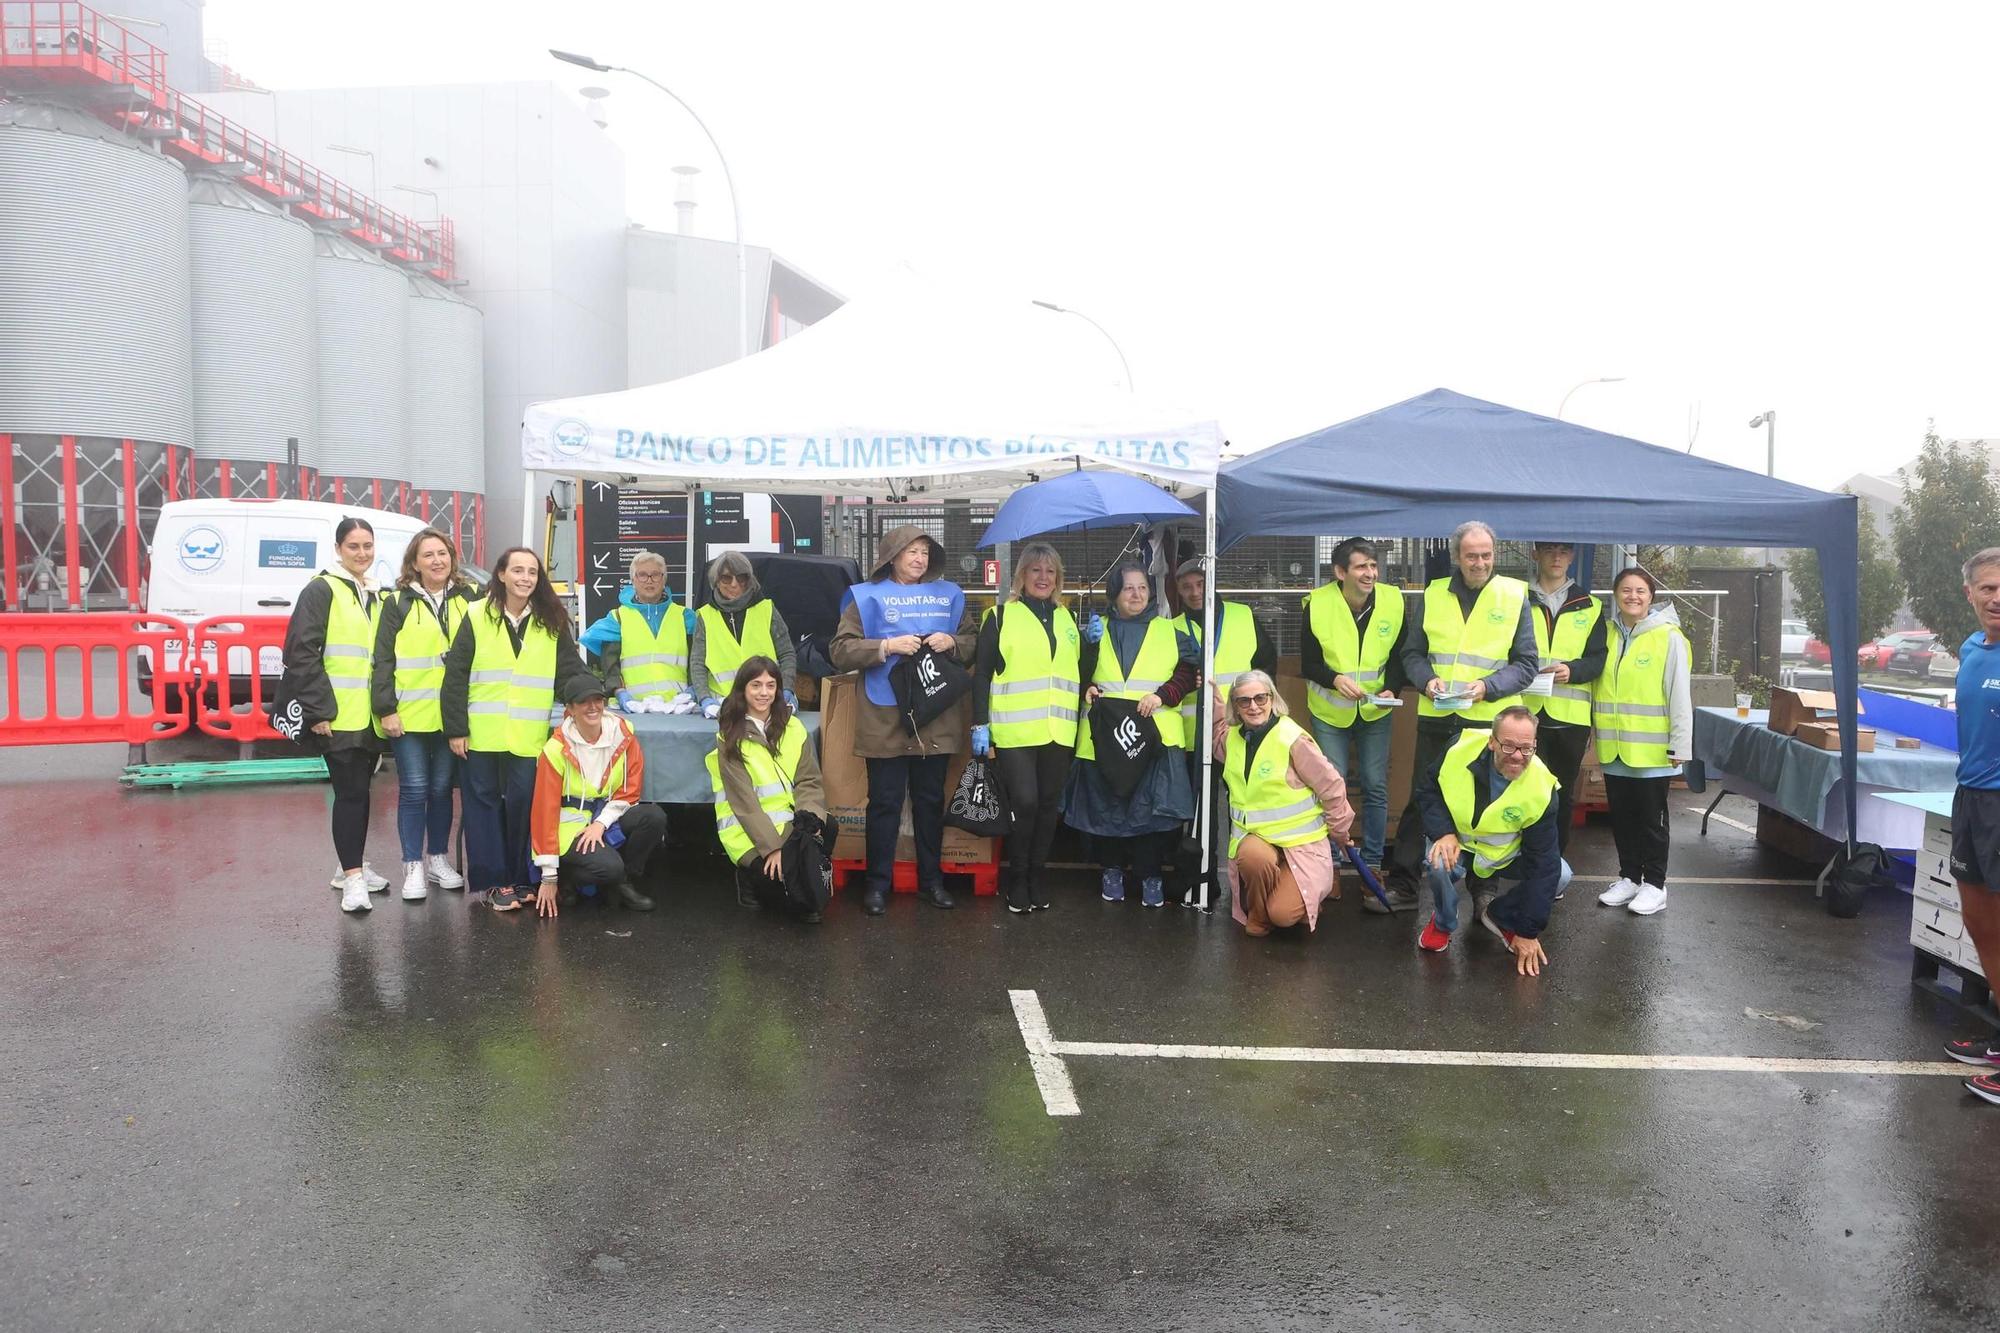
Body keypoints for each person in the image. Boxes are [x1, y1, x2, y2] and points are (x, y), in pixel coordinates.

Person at [1383, 520, 1538, 908]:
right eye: (1471, 556)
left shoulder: (1514, 595)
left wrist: (1488, 686)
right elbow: (1412, 653)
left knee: (1487, 803)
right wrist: (1426, 680)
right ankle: (1404, 884)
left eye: (1486, 555)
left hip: (1488, 721)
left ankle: (1483, 888)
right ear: (1457, 557)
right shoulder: (1434, 593)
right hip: (1438, 716)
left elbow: (1526, 664)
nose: (1480, 562)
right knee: (1421, 798)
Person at [829, 524, 974, 916]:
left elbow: (972, 642)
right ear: (891, 556)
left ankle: (932, 882)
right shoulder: (866, 597)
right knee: (885, 803)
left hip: (935, 716)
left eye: (925, 552)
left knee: (930, 801)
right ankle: (877, 885)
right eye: (912, 551)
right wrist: (886, 646)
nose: (919, 558)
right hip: (884, 714)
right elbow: (840, 650)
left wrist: (953, 642)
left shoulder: (949, 596)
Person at [443, 546, 588, 913]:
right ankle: (494, 883)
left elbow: (570, 671)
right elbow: (456, 675)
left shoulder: (551, 620)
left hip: (528, 735)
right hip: (481, 733)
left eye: (532, 572)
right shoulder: (477, 614)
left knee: (524, 806)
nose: (525, 578)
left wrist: (589, 699)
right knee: (483, 807)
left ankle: (522, 878)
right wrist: (456, 729)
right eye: (518, 570)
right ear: (502, 574)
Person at [1062, 561, 1199, 908]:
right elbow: (1074, 673)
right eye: (1128, 588)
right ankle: (1111, 871)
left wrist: (1163, 695)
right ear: (1114, 594)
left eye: (1142, 588)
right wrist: (1087, 681)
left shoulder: (1170, 631)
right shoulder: (1095, 632)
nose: (1136, 595)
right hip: (1104, 739)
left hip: (1155, 739)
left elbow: (1188, 673)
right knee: (1107, 810)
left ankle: (1150, 874)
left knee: (1150, 813)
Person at [1413, 705, 1572, 973]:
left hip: (1502, 852)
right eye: (1508, 746)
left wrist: (1527, 930)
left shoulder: (1543, 787)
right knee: (1437, 864)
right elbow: (1428, 790)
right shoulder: (1459, 749)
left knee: (1561, 874)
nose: (1517, 756)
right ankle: (1442, 922)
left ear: (1535, 745)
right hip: (1458, 842)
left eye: (1526, 748)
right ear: (1491, 742)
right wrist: (1443, 832)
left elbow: (1543, 864)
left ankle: (1501, 915)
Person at [281, 515, 386, 913]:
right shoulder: (321, 590)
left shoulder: (372, 591)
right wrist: (318, 711)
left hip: (367, 716)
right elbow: (301, 653)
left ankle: (349, 866)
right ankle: (353, 880)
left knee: (360, 792)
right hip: (336, 715)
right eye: (353, 546)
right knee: (350, 794)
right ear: (338, 549)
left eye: (367, 546)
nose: (362, 553)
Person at [970, 542, 1082, 914]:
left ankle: (1037, 874)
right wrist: (979, 723)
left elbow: (1076, 672)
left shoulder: (1068, 618)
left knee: (1049, 805)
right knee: (1026, 802)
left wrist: (1094, 644)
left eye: (1050, 571)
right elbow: (982, 674)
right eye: (1036, 570)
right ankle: (1017, 877)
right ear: (1022, 575)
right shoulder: (1000, 616)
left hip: (1058, 730)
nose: (1043, 578)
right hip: (1014, 730)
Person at [371, 527, 475, 902]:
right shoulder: (397, 603)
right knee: (415, 789)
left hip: (451, 716)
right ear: (414, 563)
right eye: (428, 554)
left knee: (442, 789)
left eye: (442, 553)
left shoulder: (470, 598)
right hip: (409, 715)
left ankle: (437, 859)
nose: (437, 560)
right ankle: (412, 864)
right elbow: (382, 659)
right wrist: (386, 709)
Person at [1300, 537, 1407, 896]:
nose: (1370, 573)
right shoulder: (1317, 604)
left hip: (1376, 709)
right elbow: (1309, 663)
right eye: (1361, 566)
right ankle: (1330, 865)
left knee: (1375, 785)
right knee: (1331, 785)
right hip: (1330, 711)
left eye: (1373, 566)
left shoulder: (1393, 600)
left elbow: (1400, 656)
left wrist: (1392, 687)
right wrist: (1334, 679)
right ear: (1340, 572)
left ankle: (1372, 866)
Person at [1212, 670, 1355, 936]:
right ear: (1236, 706)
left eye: (1260, 698)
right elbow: (1217, 729)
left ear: (1272, 698)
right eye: (1244, 701)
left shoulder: (1292, 738)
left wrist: (1340, 831)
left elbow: (1332, 786)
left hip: (1302, 845)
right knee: (1252, 856)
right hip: (1259, 841)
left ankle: (1299, 898)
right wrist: (1210, 695)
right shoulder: (1232, 739)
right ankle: (1258, 916)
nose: (1254, 706)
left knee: (1283, 915)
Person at [1591, 567, 1693, 917]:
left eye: (1640, 591)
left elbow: (1680, 695)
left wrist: (1680, 745)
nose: (1632, 596)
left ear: (1651, 597)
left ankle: (1656, 884)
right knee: (1622, 818)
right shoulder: (1606, 634)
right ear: (1615, 594)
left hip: (1652, 751)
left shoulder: (1669, 637)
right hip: (1615, 748)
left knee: (1652, 821)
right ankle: (1630, 877)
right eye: (1625, 590)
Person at [706, 654, 829, 922]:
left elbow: (809, 780)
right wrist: (773, 849)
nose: (764, 692)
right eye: (756, 685)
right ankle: (748, 877)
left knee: (827, 831)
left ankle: (796, 882)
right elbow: (744, 803)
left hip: (790, 824)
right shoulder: (729, 736)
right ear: (743, 689)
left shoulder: (794, 727)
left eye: (771, 685)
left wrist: (808, 822)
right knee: (785, 896)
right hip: (748, 833)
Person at [528, 675, 663, 918]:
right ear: (570, 709)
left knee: (654, 817)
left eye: (598, 700)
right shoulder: (555, 750)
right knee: (610, 867)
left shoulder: (624, 735)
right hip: (569, 827)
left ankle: (623, 883)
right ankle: (570, 877)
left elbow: (630, 789)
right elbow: (543, 811)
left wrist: (600, 824)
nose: (593, 707)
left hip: (604, 817)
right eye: (583, 701)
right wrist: (549, 877)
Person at [1944, 548, 2000, 1106]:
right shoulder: (1971, 649)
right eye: (1988, 588)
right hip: (1971, 799)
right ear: (1970, 594)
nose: (1998, 598)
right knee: (1982, 925)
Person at [1524, 540, 1608, 863]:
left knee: (1561, 795)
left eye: (1563, 551)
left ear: (1572, 556)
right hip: (1526, 714)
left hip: (1570, 719)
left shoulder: (1590, 605)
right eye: (1549, 550)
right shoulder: (1518, 599)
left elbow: (1597, 659)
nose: (1556, 557)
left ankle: (1552, 865)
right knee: (1525, 791)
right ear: (1535, 554)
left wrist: (1572, 670)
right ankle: (1524, 862)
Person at [580, 550, 693, 711]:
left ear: (664, 579)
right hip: (634, 709)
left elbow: (696, 663)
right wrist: (619, 692)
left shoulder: (685, 617)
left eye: (655, 575)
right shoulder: (618, 618)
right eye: (642, 575)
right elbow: (610, 666)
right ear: (633, 580)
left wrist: (693, 690)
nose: (649, 580)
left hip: (679, 708)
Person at [693, 550, 798, 714]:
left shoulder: (767, 609)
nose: (734, 584)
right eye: (726, 578)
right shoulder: (704, 616)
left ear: (749, 580)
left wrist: (786, 690)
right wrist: (704, 699)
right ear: (716, 581)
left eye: (741, 577)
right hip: (722, 706)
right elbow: (697, 664)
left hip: (766, 702)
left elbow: (787, 654)